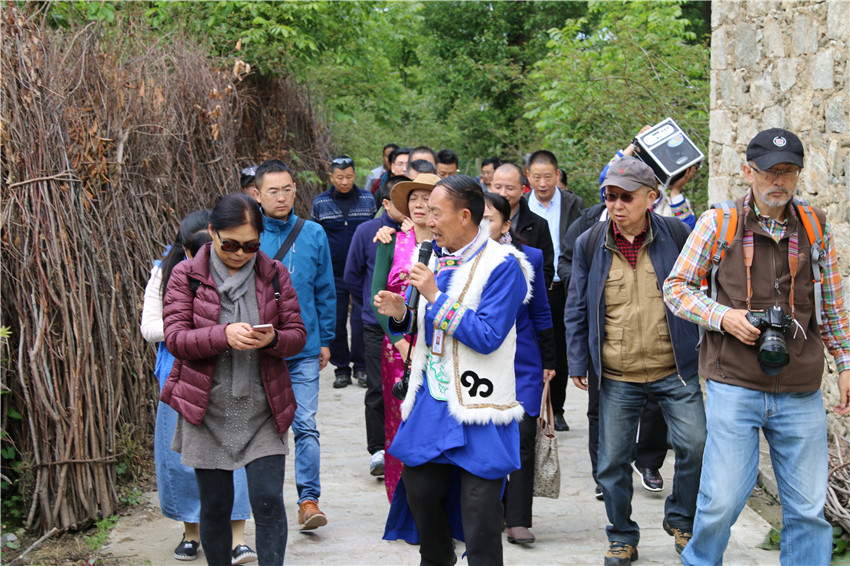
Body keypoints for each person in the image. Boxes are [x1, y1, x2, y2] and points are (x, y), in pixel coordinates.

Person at [664, 128, 850, 566]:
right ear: (748, 172)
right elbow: (676, 288)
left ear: (799, 174)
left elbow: (831, 306)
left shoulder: (815, 226)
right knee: (722, 500)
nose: (778, 181)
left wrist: (845, 363)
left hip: (800, 386)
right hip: (734, 382)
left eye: (788, 171)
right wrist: (724, 317)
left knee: (808, 510)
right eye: (769, 171)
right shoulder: (719, 223)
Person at [374, 174, 533, 565]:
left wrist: (434, 295)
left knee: (481, 514)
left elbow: (488, 336)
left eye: (436, 213)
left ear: (464, 216)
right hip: (433, 398)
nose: (428, 221)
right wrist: (401, 313)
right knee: (420, 490)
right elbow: (424, 326)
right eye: (426, 212)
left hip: (480, 404)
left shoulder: (505, 265)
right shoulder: (433, 257)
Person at [565, 157, 706, 566]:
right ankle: (622, 535)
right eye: (610, 196)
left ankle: (681, 519)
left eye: (626, 197)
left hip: (675, 369)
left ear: (651, 197)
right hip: (618, 373)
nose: (616, 204)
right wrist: (577, 361)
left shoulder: (676, 234)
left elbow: (700, 289)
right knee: (611, 462)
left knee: (696, 445)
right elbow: (576, 305)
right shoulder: (590, 242)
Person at [160, 193, 306, 566]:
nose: (241, 254)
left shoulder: (273, 273)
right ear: (212, 232)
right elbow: (176, 338)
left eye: (251, 245)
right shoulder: (186, 275)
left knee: (268, 500)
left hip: (263, 408)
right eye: (231, 245)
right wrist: (222, 334)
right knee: (215, 504)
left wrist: (272, 339)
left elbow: (297, 335)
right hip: (207, 410)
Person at [140, 211, 257, 564]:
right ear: (186, 249)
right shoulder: (165, 272)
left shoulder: (243, 268)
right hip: (179, 377)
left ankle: (237, 538)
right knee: (182, 459)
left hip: (233, 374)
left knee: (236, 453)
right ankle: (191, 533)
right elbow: (150, 327)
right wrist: (196, 329)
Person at [251, 159, 335, 531]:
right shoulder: (248, 234)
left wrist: (326, 340)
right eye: (273, 191)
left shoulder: (314, 233)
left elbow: (325, 290)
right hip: (259, 350)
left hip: (304, 347)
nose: (282, 197)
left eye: (287, 189)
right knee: (263, 428)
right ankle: (265, 503)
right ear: (257, 194)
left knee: (305, 424)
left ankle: (308, 501)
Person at [482, 192, 555, 546]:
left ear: (506, 224)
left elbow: (541, 309)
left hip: (523, 360)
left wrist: (550, 360)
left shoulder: (531, 257)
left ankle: (518, 519)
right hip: (480, 359)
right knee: (487, 434)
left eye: (489, 219)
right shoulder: (460, 258)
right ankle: (489, 509)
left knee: (523, 435)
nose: (483, 225)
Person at [371, 174, 438, 501]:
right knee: (398, 423)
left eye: (427, 198)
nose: (420, 205)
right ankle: (401, 501)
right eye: (414, 199)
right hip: (398, 349)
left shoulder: (449, 245)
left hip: (439, 346)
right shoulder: (391, 241)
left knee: (435, 422)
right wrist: (399, 340)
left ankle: (436, 502)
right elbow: (377, 296)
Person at [344, 176, 408, 477]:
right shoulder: (368, 232)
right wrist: (371, 307)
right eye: (401, 202)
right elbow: (352, 276)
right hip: (374, 325)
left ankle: (405, 446)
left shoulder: (418, 235)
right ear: (385, 203)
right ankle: (378, 449)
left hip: (409, 324)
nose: (409, 207)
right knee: (377, 386)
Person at [524, 150, 585, 432]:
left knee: (559, 350)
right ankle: (531, 408)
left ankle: (557, 409)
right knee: (531, 348)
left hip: (562, 288)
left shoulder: (574, 204)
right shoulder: (522, 206)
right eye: (536, 177)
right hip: (530, 287)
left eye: (548, 176)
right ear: (528, 176)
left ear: (557, 175)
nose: (543, 183)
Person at [311, 155, 377, 389]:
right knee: (336, 320)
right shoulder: (320, 202)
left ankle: (361, 367)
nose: (345, 181)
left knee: (361, 319)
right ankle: (341, 369)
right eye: (340, 177)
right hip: (333, 272)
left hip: (362, 272)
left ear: (355, 175)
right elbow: (316, 237)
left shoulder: (367, 199)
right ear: (331, 177)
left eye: (349, 176)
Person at [599, 126, 697, 229]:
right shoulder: (616, 201)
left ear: (659, 180)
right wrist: (634, 145)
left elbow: (689, 232)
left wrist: (675, 191)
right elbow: (606, 177)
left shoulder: (672, 208)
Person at [490, 163, 555, 287]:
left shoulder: (538, 224)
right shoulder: (478, 220)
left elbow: (546, 272)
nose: (503, 193)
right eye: (498, 187)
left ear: (522, 190)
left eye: (510, 188)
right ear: (491, 186)